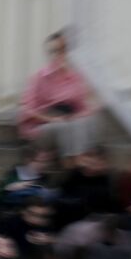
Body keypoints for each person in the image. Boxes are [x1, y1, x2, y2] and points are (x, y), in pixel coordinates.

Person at [17, 30, 100, 158]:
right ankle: (76, 161)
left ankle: (78, 160)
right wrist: (52, 119)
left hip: (69, 120)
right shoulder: (39, 78)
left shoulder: (75, 78)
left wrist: (77, 116)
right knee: (68, 128)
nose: (58, 55)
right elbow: (26, 110)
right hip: (44, 125)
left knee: (88, 121)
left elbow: (84, 107)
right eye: (53, 51)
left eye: (63, 50)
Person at [56, 144, 117, 228]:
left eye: (95, 162)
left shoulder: (105, 179)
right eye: (88, 159)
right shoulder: (77, 172)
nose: (90, 164)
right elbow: (63, 189)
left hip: (90, 219)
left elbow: (103, 202)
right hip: (68, 214)